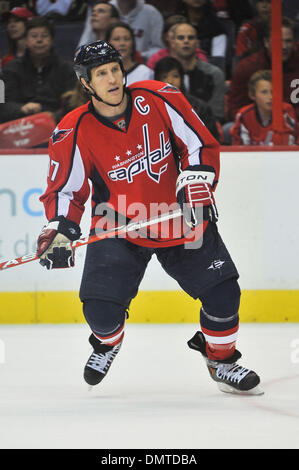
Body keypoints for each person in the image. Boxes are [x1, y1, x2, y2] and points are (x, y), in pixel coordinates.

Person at [36, 39, 263, 396]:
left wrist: (195, 180)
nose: (112, 79)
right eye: (101, 74)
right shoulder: (73, 129)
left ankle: (221, 360)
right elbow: (66, 190)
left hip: (179, 219)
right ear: (86, 83)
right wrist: (61, 228)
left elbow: (197, 145)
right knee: (100, 313)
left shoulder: (159, 96)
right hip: (118, 226)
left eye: (115, 69)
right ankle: (108, 343)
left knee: (224, 297)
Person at [2, 16, 77, 124]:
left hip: (58, 126)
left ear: (51, 40)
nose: (39, 40)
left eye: (44, 36)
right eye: (34, 36)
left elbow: (75, 101)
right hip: (17, 127)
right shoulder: (9, 69)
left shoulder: (67, 69)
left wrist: (55, 116)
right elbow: (2, 103)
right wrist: (20, 108)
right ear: (26, 41)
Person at [227, 17, 299, 122]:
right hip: (256, 129)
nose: (284, 46)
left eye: (288, 41)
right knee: (227, 129)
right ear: (266, 42)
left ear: (294, 42)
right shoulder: (247, 67)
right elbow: (234, 108)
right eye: (278, 41)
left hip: (295, 127)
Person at [170, 22, 225, 122]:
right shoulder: (164, 73)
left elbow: (216, 115)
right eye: (181, 38)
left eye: (190, 38)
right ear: (172, 43)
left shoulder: (214, 74)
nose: (186, 41)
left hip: (205, 128)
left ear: (197, 43)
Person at [154, 56, 220, 141]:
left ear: (182, 79)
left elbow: (212, 141)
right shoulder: (149, 109)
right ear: (156, 80)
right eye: (164, 77)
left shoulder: (200, 108)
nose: (170, 81)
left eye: (175, 76)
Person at [231, 69, 298, 145]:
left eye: (274, 91)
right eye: (264, 92)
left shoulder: (286, 111)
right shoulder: (244, 115)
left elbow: (288, 146)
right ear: (252, 95)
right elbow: (240, 149)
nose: (270, 97)